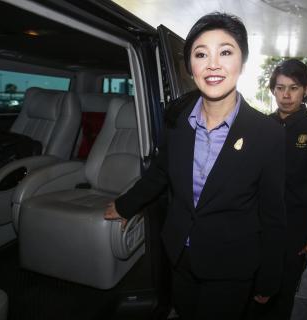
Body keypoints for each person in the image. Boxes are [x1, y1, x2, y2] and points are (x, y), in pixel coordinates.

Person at [104, 12, 286, 320]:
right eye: (201, 54)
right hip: (180, 254)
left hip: (232, 266)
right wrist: (126, 204)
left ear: (242, 62)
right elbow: (161, 172)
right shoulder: (177, 119)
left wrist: (270, 277)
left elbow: (272, 214)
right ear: (190, 66)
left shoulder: (267, 134)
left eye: (225, 52)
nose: (213, 64)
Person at [249, 59, 307, 320]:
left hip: (294, 225)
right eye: (280, 88)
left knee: (281, 296)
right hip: (258, 222)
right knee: (252, 291)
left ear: (306, 90)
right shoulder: (261, 125)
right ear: (272, 90)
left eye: (294, 88)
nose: (286, 95)